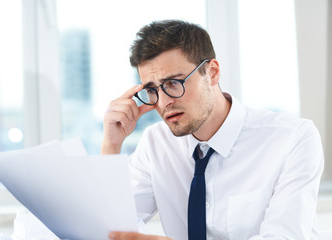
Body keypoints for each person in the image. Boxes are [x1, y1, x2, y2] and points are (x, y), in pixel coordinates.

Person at [101, 20, 324, 240]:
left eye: (173, 83)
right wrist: (111, 144)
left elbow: (284, 237)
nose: (163, 102)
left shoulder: (292, 138)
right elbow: (109, 227)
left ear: (212, 72)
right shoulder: (155, 144)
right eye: (152, 90)